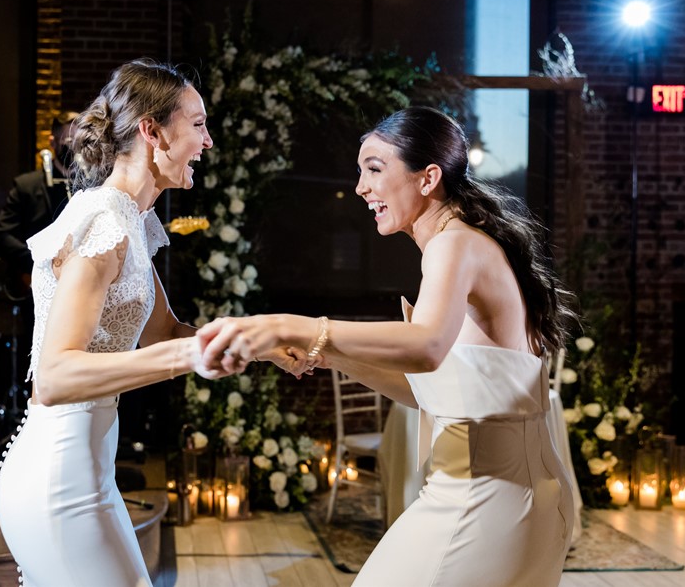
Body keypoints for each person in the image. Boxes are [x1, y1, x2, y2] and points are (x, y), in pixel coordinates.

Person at [199, 106, 577, 586]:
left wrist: (293, 327)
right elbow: (426, 389)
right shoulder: (453, 244)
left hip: (491, 497)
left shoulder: (454, 244)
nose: (360, 186)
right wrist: (328, 355)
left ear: (427, 178)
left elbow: (426, 346)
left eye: (374, 169)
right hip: (488, 491)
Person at [0, 59, 237, 586]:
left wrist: (263, 341)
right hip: (58, 479)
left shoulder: (131, 218)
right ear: (152, 131)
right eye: (197, 125)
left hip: (88, 471)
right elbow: (56, 376)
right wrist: (194, 356)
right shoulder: (103, 220)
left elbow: (165, 332)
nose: (208, 141)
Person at [0, 113, 79, 298]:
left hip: (78, 284)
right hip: (36, 286)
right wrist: (39, 261)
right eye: (69, 141)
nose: (75, 148)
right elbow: (1, 236)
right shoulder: (27, 186)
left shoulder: (93, 187)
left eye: (82, 142)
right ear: (53, 143)